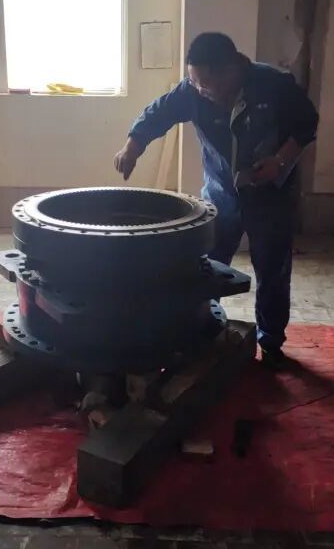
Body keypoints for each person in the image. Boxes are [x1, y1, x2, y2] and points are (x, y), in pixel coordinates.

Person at [113, 32, 319, 367]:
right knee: (206, 265)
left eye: (205, 82)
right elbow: (157, 115)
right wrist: (131, 149)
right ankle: (204, 331)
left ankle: (270, 343)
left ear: (231, 69)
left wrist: (281, 161)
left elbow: (307, 123)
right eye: (193, 81)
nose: (199, 88)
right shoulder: (193, 92)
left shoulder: (274, 85)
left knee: (272, 270)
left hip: (270, 196)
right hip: (222, 195)